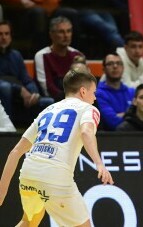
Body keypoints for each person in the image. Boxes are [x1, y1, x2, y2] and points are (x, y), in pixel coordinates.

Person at [0, 67, 114, 226]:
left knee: (28, 221)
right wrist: (99, 163)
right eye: (93, 92)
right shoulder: (88, 109)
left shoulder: (47, 110)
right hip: (56, 178)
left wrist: (2, 191)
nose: (95, 98)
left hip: (28, 174)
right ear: (83, 91)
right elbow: (87, 133)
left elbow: (16, 151)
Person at [0, 21, 54, 126]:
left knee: (49, 102)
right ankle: (7, 131)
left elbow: (26, 79)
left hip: (20, 98)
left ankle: (43, 137)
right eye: (0, 34)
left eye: (7, 34)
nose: (4, 37)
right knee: (5, 87)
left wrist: (33, 94)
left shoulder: (16, 55)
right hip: (4, 95)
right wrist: (19, 89)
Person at [35, 16, 83, 101]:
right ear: (51, 34)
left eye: (69, 31)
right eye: (61, 32)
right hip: (54, 100)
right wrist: (69, 99)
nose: (66, 35)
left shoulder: (77, 54)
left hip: (76, 99)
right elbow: (47, 88)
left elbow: (84, 82)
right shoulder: (42, 55)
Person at [101, 30, 143, 99]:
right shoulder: (118, 61)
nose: (137, 51)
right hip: (108, 97)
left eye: (140, 47)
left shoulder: (141, 61)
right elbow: (129, 92)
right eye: (133, 47)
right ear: (126, 48)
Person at [95, 52, 136, 131]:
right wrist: (131, 115)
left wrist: (121, 115)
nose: (115, 66)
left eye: (118, 63)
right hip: (112, 139)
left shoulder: (132, 92)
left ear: (123, 68)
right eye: (110, 64)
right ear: (103, 69)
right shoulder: (98, 94)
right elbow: (112, 122)